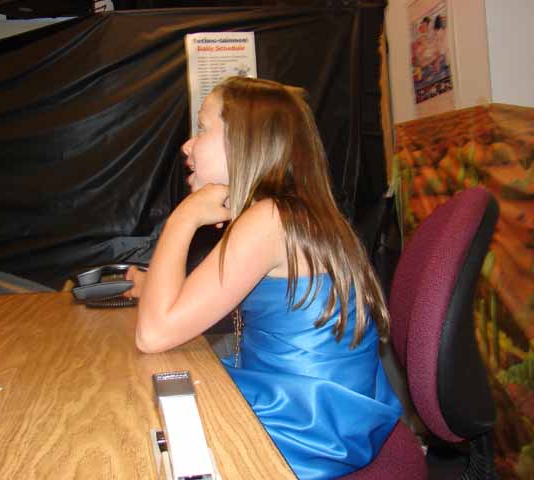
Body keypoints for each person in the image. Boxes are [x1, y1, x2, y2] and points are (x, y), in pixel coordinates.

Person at [126, 76, 401, 479]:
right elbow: (193, 304)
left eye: (202, 128)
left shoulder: (269, 220)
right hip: (318, 407)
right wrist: (153, 289)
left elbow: (153, 334)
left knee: (137, 426)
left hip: (306, 426)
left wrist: (183, 217)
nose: (187, 145)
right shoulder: (289, 213)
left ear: (245, 142)